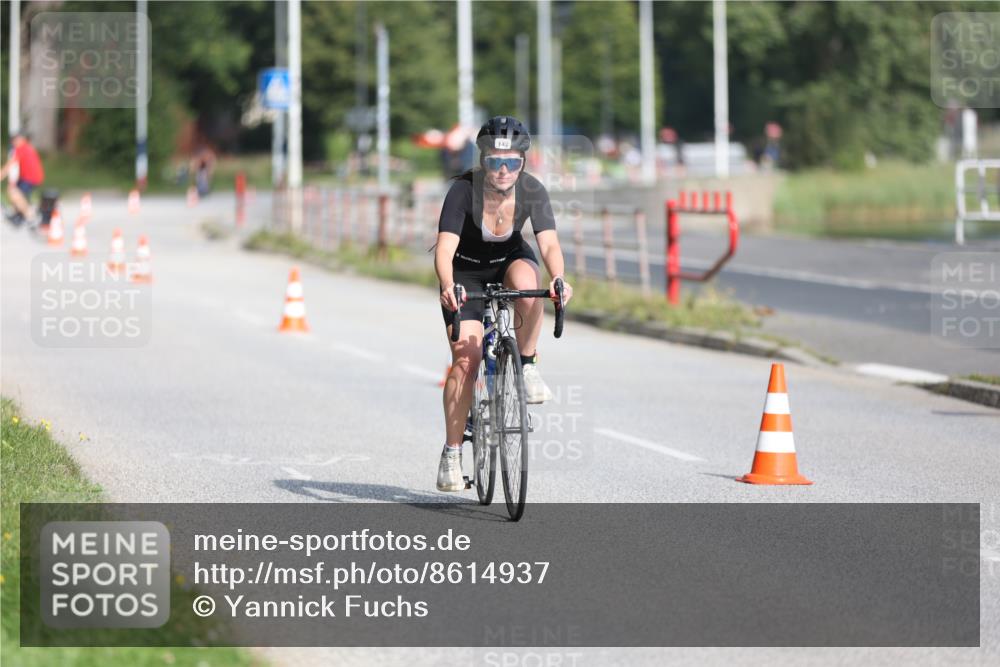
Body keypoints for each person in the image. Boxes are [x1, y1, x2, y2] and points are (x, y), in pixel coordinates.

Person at [434, 115, 574, 492]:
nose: (503, 170)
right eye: (495, 162)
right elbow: (445, 249)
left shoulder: (532, 190)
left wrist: (559, 278)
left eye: (511, 162)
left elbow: (548, 244)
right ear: (482, 160)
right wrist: (448, 285)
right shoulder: (463, 193)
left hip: (510, 261)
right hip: (465, 274)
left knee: (531, 286)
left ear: (523, 162)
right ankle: (450, 454)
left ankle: (526, 364)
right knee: (467, 359)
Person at [1, 131, 45, 226]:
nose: (13, 142)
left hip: (30, 178)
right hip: (29, 177)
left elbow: (11, 164)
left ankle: (30, 216)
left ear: (19, 140)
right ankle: (18, 213)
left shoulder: (21, 149)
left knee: (13, 192)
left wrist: (1, 174)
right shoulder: (27, 147)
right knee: (12, 189)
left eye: (14, 140)